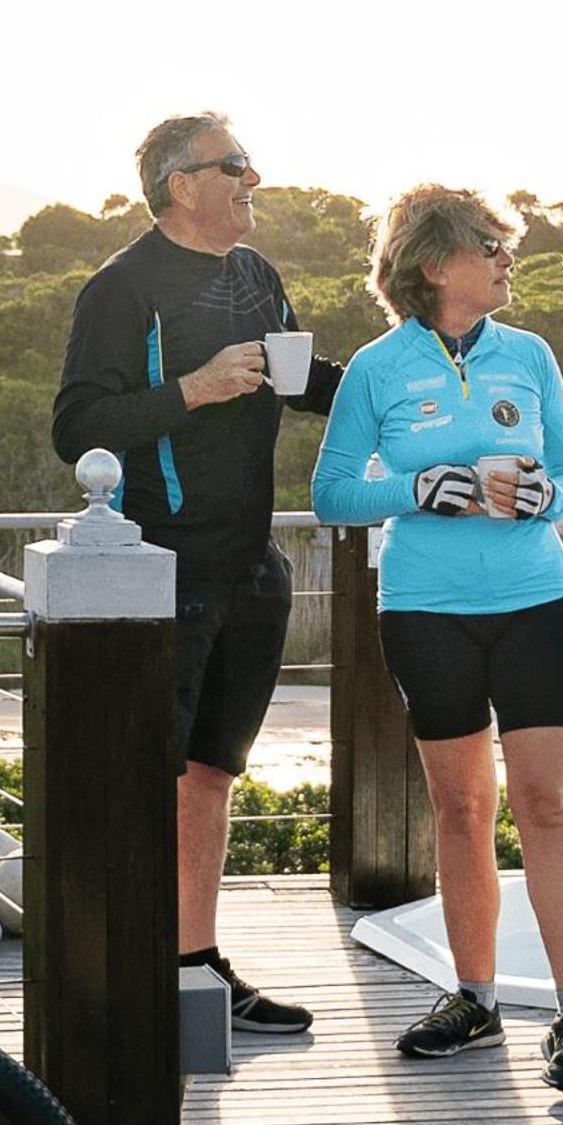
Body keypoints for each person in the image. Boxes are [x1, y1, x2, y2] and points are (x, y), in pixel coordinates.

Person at [53, 112, 343, 1033]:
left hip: (253, 564)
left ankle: (194, 970)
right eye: (237, 164)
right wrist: (194, 389)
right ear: (184, 184)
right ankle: (124, 981)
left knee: (213, 774)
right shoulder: (121, 288)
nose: (256, 175)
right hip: (163, 567)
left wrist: (417, 371)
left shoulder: (258, 273)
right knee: (151, 775)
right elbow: (76, 428)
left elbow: (304, 381)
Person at [311, 186, 563, 1097]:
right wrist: (419, 486)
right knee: (464, 812)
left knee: (546, 806)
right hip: (426, 608)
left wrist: (544, 497)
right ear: (436, 264)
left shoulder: (531, 354)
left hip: (534, 598)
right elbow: (331, 494)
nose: (509, 259)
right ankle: (474, 1001)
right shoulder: (375, 369)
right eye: (491, 245)